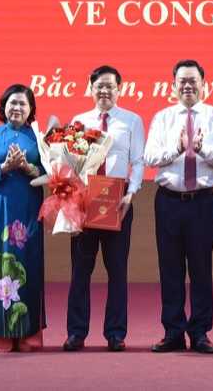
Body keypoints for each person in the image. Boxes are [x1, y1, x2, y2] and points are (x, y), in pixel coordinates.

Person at [144, 59, 213, 354]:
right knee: (170, 268)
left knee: (201, 268)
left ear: (203, 84)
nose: (187, 86)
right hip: (169, 201)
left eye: (192, 80)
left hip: (202, 202)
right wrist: (178, 149)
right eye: (181, 81)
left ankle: (200, 333)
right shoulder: (163, 118)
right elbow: (150, 157)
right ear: (173, 86)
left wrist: (202, 148)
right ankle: (173, 332)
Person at [63, 65, 145, 353]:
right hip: (85, 203)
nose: (105, 91)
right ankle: (76, 333)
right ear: (91, 88)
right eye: (100, 86)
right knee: (80, 271)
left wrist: (131, 194)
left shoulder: (132, 121)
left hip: (118, 202)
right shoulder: (79, 121)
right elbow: (70, 163)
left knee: (117, 271)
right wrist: (71, 198)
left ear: (119, 89)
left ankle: (115, 333)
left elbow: (138, 161)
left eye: (110, 86)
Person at [0, 84, 46, 352]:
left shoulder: (39, 138)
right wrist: (4, 167)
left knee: (29, 260)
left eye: (23, 104)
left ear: (31, 109)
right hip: (0, 208)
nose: (17, 108)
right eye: (12, 103)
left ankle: (29, 334)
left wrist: (28, 167)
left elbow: (51, 173)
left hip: (29, 207)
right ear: (4, 106)